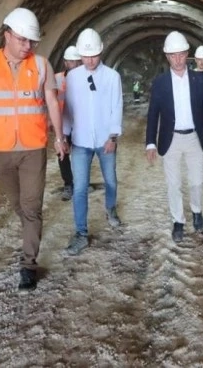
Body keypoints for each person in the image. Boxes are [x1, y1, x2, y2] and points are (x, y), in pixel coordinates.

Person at [0, 7, 66, 291]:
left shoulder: (41, 65)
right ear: (7, 35)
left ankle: (28, 264)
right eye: (22, 40)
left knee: (31, 207)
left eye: (32, 42)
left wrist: (59, 137)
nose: (28, 46)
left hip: (33, 147)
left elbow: (51, 103)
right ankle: (29, 239)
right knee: (18, 206)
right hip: (1, 149)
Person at [146, 32, 203, 243]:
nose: (177, 59)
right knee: (173, 184)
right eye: (173, 55)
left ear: (187, 55)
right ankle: (178, 221)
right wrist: (150, 142)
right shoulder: (160, 83)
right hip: (171, 139)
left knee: (196, 181)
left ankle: (197, 210)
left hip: (195, 138)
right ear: (167, 56)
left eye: (181, 55)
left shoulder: (199, 80)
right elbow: (153, 114)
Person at [63, 28, 123, 256]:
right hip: (80, 141)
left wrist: (113, 136)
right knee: (79, 188)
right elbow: (68, 109)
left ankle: (110, 208)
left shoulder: (111, 77)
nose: (89, 60)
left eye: (94, 55)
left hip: (105, 140)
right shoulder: (72, 77)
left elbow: (117, 106)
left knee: (111, 181)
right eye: (85, 56)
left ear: (101, 53)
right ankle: (81, 233)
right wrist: (65, 136)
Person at [55, 45, 82, 201]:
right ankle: (68, 184)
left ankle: (78, 183)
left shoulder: (86, 77)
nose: (76, 65)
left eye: (78, 61)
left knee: (80, 154)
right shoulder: (58, 79)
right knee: (62, 154)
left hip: (80, 125)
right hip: (63, 124)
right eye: (72, 62)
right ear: (66, 63)